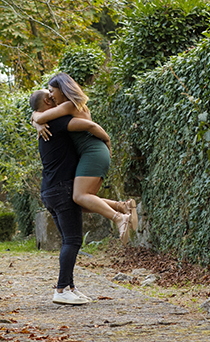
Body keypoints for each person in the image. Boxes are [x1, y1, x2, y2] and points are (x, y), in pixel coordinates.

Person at [32, 72, 137, 240]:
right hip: (92, 152)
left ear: (62, 89)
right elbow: (40, 116)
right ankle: (123, 207)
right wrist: (36, 122)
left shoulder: (68, 105)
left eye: (52, 91)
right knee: (78, 201)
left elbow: (42, 116)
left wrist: (107, 141)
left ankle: (119, 218)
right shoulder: (72, 105)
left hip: (93, 152)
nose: (50, 96)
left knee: (79, 196)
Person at [31, 88, 102, 305]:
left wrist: (35, 120)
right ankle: (61, 290)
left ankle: (70, 287)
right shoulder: (57, 123)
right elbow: (88, 125)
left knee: (68, 241)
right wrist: (106, 141)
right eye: (51, 95)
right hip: (62, 189)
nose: (55, 97)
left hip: (50, 190)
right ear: (47, 101)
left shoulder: (46, 125)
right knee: (73, 240)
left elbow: (36, 114)